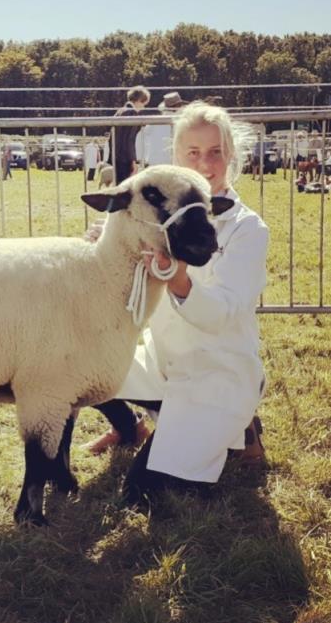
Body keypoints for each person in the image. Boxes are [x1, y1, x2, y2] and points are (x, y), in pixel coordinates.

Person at [84, 100, 269, 506]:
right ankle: (133, 427)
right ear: (176, 158)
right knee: (83, 367)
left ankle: (238, 425)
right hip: (163, 362)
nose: (205, 164)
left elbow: (223, 311)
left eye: (215, 152)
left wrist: (180, 280)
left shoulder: (248, 229)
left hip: (216, 373)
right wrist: (108, 243)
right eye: (193, 153)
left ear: (231, 156)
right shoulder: (150, 216)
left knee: (142, 496)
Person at [135, 91, 188, 168]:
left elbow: (140, 138)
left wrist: (142, 159)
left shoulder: (154, 122)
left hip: (154, 163)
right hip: (175, 163)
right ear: (179, 106)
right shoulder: (182, 123)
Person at [113, 85, 150, 184]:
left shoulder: (120, 111)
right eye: (144, 104)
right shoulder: (132, 113)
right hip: (125, 158)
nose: (143, 107)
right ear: (139, 100)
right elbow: (130, 139)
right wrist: (133, 161)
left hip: (116, 156)